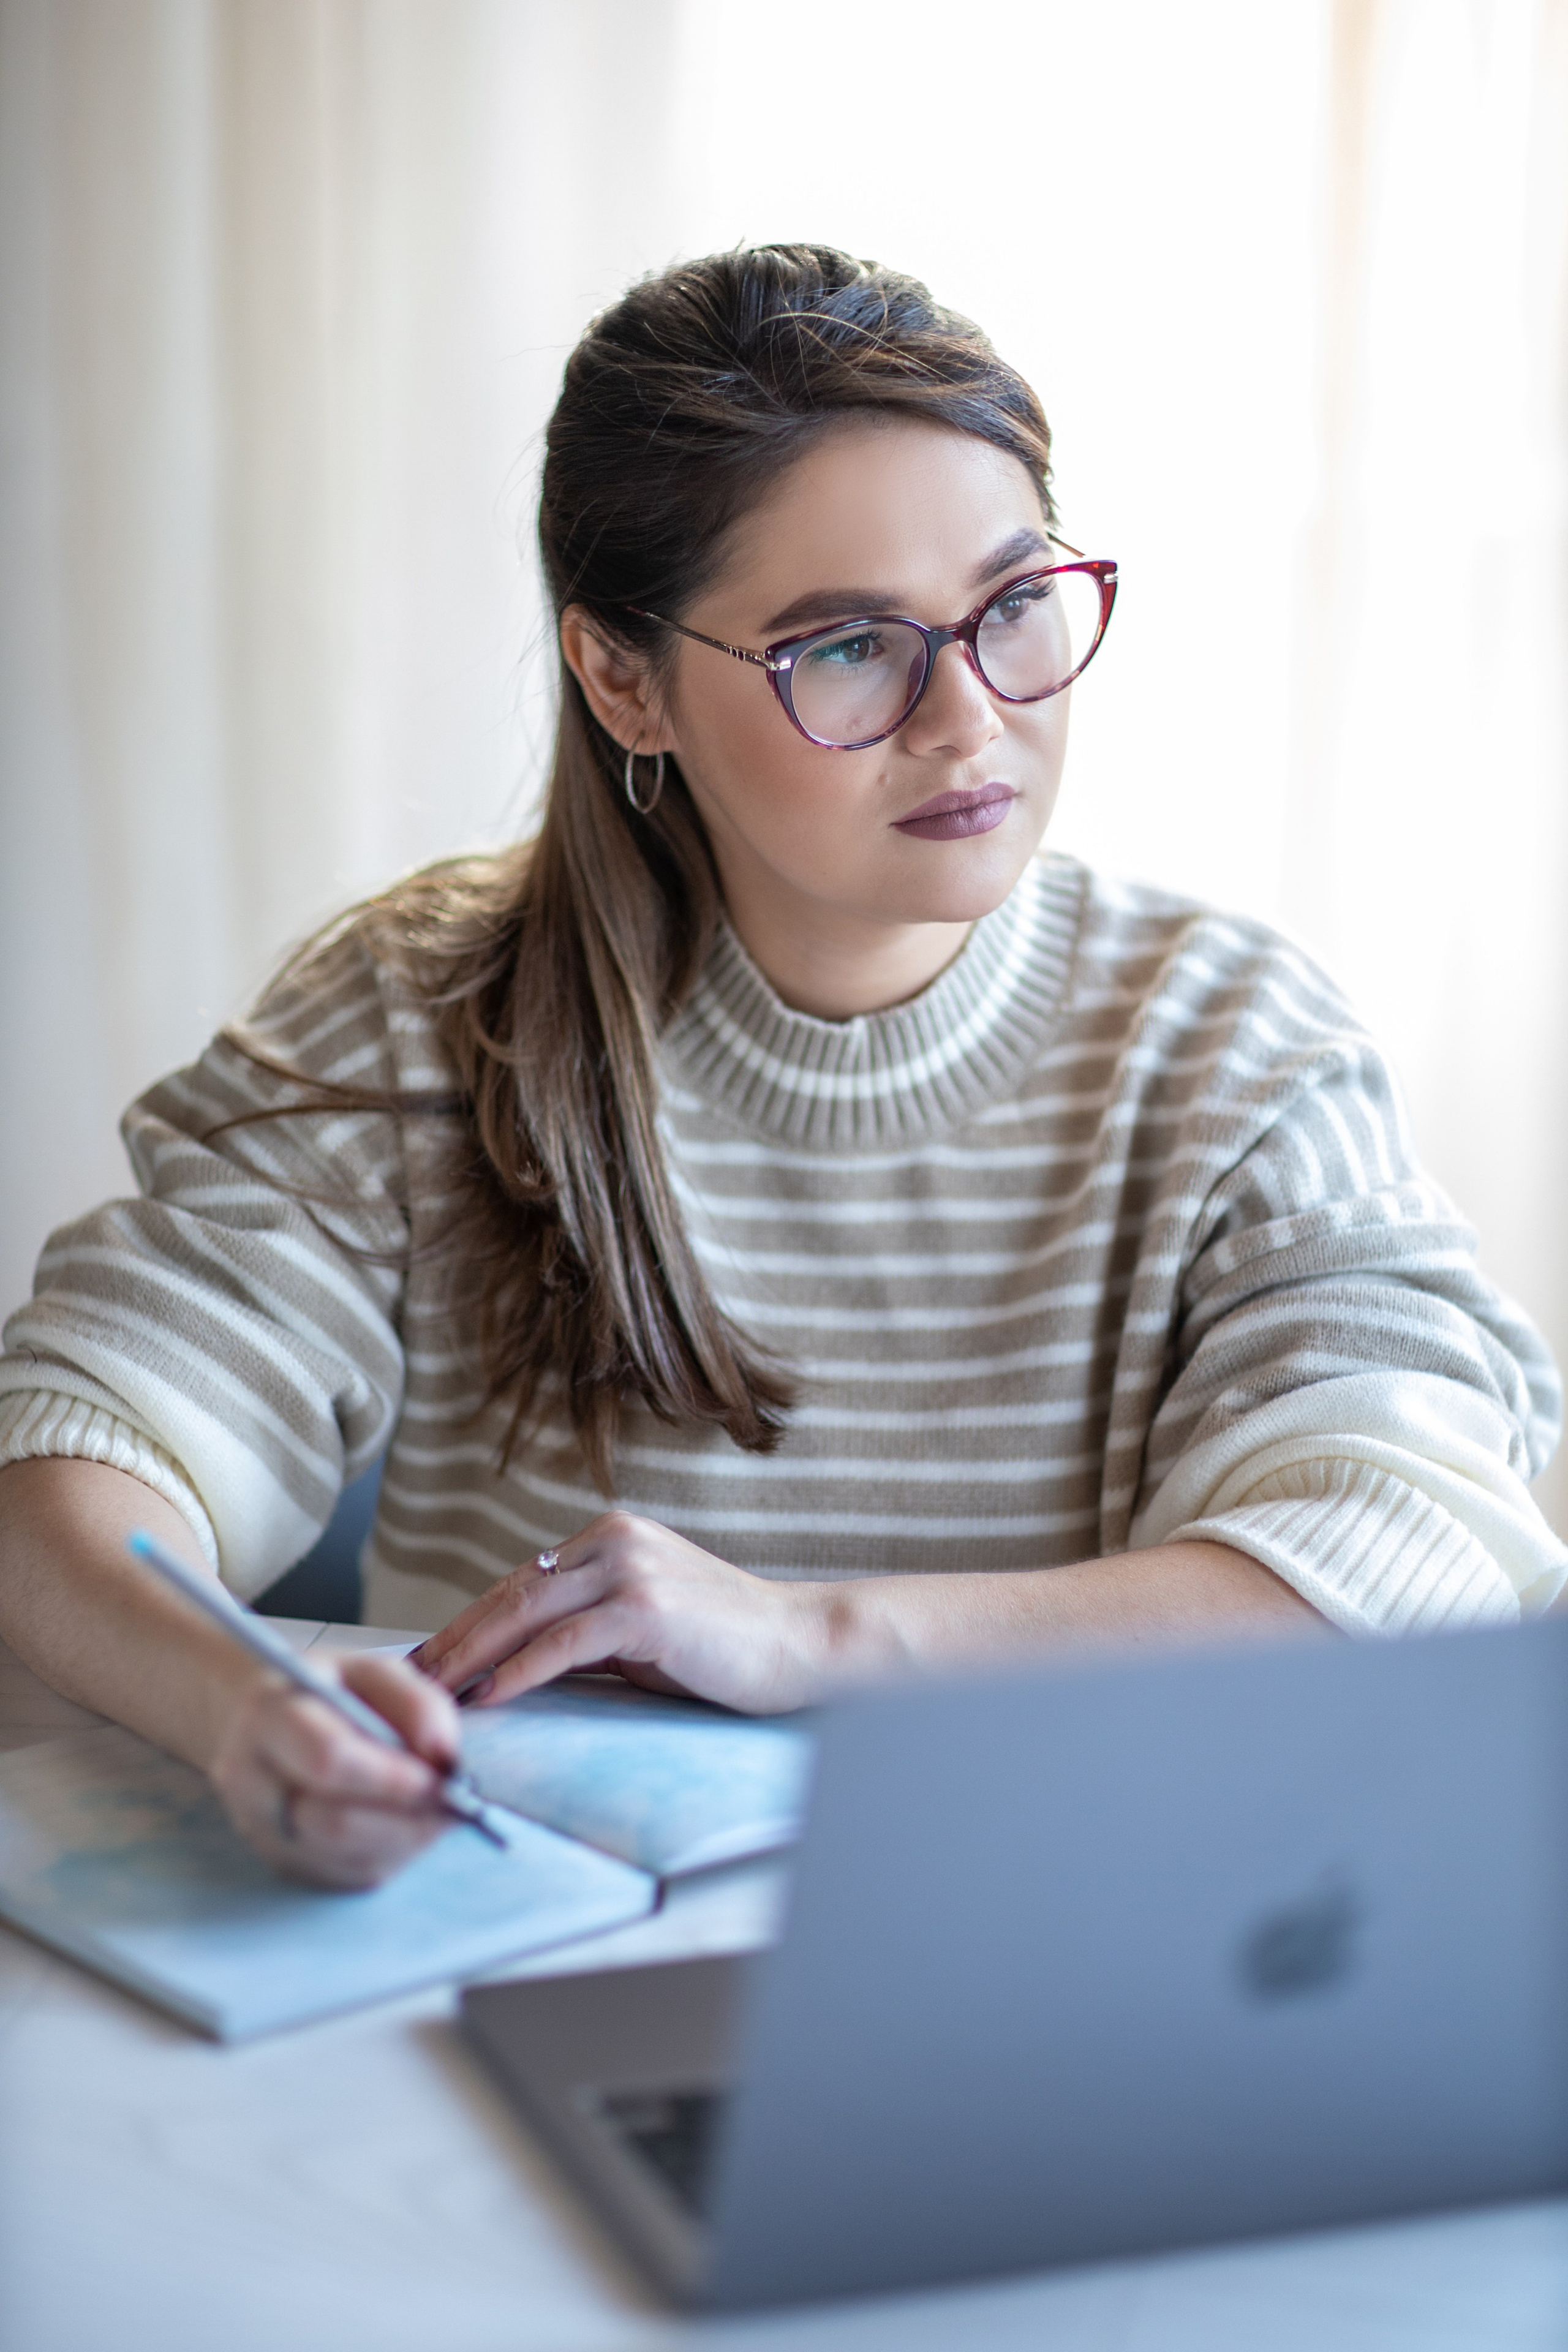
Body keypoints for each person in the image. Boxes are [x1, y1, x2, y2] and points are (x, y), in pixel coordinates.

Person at [1, 246, 1562, 1893]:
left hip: (1063, 1943)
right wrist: (254, 1705)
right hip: (513, 1956)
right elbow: (76, 1469)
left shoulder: (1229, 1045)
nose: (968, 721)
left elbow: (1410, 1555)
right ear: (625, 679)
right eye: (846, 649)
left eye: (1014, 606)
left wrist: (811, 1637)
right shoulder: (421, 1009)